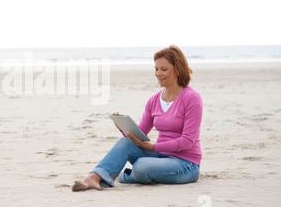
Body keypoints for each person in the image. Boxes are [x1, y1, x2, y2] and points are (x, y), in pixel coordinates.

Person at [72, 45, 203, 191]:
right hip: (160, 156)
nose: (158, 73)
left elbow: (187, 141)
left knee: (142, 166)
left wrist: (153, 147)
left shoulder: (192, 98)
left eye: (163, 69)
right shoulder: (154, 100)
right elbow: (140, 134)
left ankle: (127, 176)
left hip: (185, 164)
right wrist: (124, 128)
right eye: (156, 69)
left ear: (178, 69)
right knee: (125, 142)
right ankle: (94, 178)